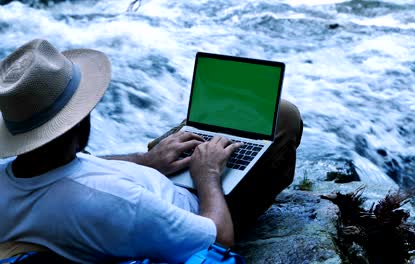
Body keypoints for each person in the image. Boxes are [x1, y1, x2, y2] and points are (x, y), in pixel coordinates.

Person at [0, 39, 303, 263]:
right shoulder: (115, 202)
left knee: (206, 126)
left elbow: (68, 172)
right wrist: (208, 175)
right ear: (78, 127)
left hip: (152, 177)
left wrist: (146, 160)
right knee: (284, 116)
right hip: (204, 203)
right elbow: (219, 239)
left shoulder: (10, 176)